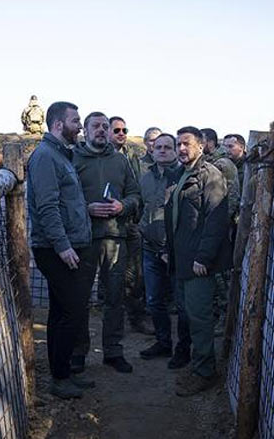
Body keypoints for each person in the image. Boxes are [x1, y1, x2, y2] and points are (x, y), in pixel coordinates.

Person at [27, 101, 98, 399]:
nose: (80, 126)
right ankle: (60, 378)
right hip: (56, 249)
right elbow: (47, 207)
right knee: (71, 312)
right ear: (58, 124)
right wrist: (64, 246)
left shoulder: (60, 155)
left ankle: (62, 373)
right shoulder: (45, 157)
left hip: (64, 245)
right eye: (76, 121)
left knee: (60, 311)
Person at [71, 112, 142, 374]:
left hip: (115, 239)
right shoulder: (73, 158)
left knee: (115, 298)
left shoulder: (120, 161)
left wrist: (123, 205)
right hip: (84, 239)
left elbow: (136, 195)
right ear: (85, 131)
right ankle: (78, 352)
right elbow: (65, 197)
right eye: (96, 126)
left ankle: (113, 351)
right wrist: (85, 209)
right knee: (80, 298)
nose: (101, 130)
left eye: (105, 126)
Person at [165, 126, 230, 396]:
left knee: (200, 318)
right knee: (191, 315)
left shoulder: (210, 176)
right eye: (178, 144)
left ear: (201, 147)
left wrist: (203, 257)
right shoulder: (183, 175)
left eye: (186, 144)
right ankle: (199, 364)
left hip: (198, 263)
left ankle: (205, 372)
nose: (181, 149)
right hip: (184, 260)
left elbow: (216, 220)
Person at [138, 133, 191, 369]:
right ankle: (163, 342)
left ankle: (184, 349)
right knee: (154, 300)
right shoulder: (145, 177)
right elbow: (141, 206)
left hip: (175, 252)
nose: (162, 150)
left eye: (167, 147)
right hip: (150, 248)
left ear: (175, 150)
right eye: (158, 147)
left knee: (182, 304)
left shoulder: (184, 177)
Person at [108, 116, 151, 334]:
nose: (122, 133)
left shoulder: (132, 157)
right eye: (116, 130)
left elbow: (136, 190)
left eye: (125, 130)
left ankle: (136, 317)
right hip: (104, 226)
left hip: (130, 222)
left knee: (135, 274)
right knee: (109, 275)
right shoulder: (97, 156)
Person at [201, 128, 239, 336]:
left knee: (221, 276)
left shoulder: (221, 165)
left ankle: (225, 320)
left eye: (201, 141)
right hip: (215, 227)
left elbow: (230, 197)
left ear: (209, 142)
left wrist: (219, 226)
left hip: (221, 229)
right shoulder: (211, 163)